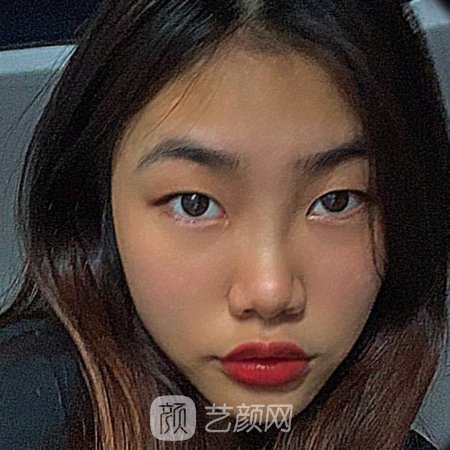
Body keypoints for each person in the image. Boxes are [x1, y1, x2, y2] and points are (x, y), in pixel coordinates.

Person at [0, 0, 448, 449]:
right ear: (95, 210)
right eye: (195, 205)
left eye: (337, 202)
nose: (270, 293)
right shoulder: (27, 412)